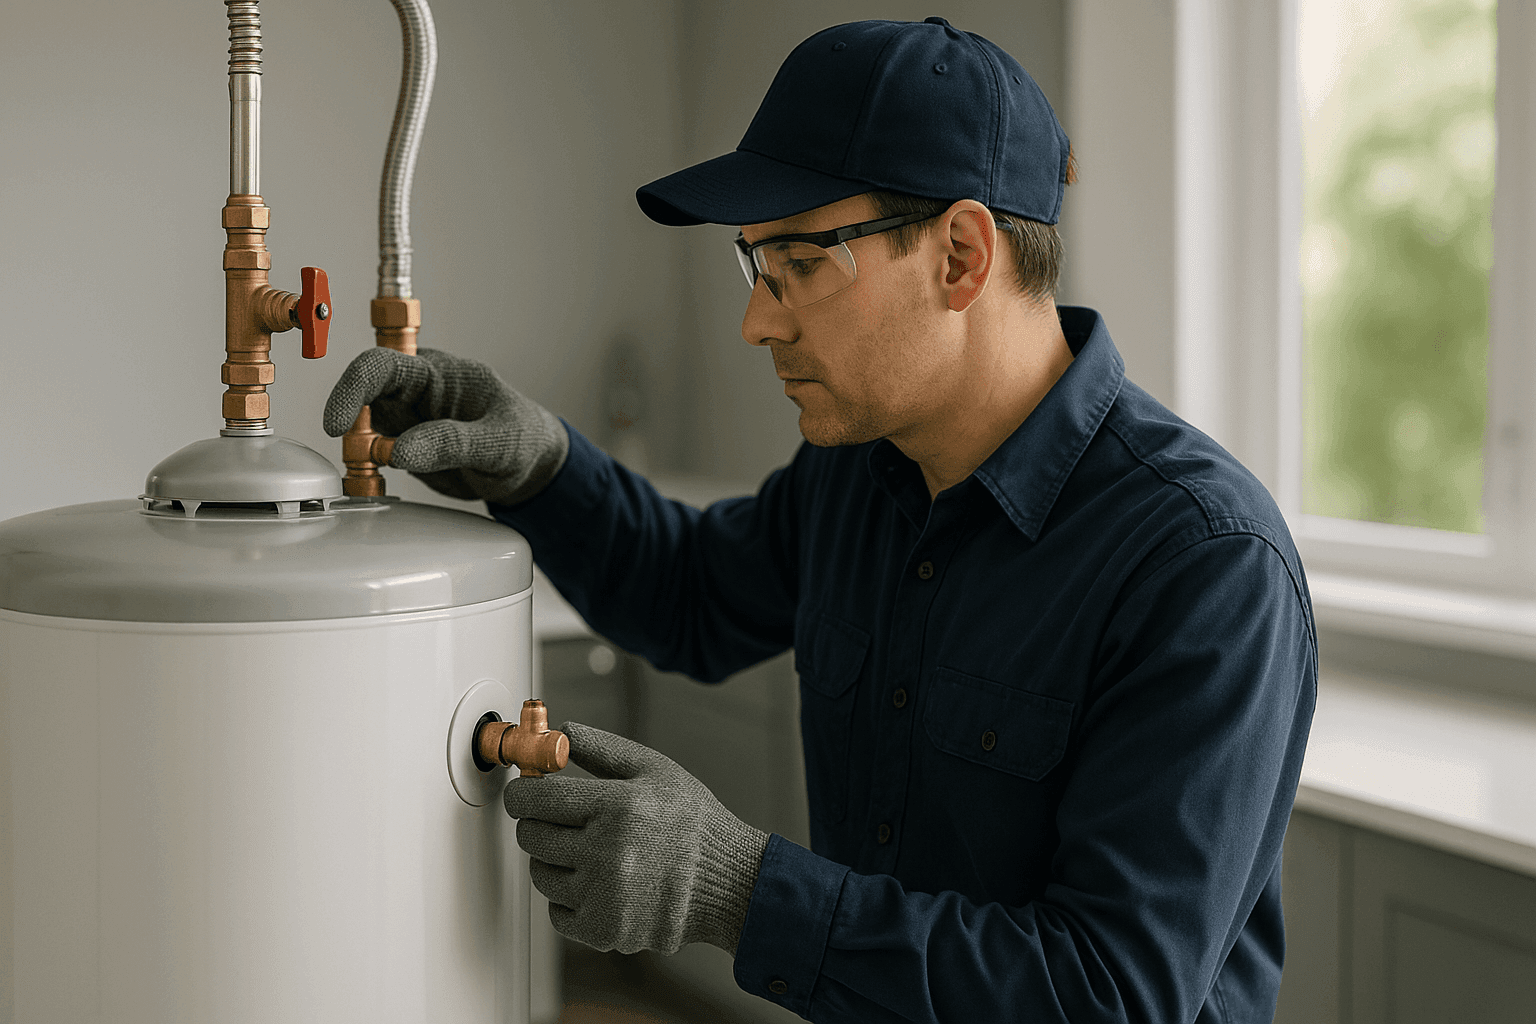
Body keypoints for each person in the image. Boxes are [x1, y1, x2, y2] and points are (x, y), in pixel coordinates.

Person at [324, 17, 1315, 1023]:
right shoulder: (863, 473)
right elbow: (694, 594)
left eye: (798, 261)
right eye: (755, 266)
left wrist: (738, 889)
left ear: (962, 257)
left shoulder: (1204, 563)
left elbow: (1111, 995)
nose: (758, 320)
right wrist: (540, 465)